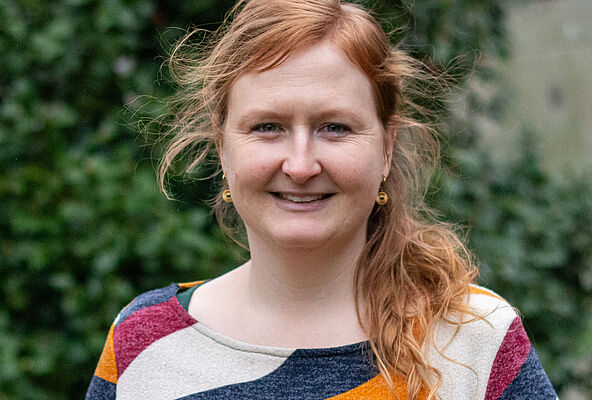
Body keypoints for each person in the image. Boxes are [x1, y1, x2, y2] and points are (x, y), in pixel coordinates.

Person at [86, 1, 558, 399]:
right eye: (267, 127)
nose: (300, 165)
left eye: (335, 127)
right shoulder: (143, 344)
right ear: (222, 146)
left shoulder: (474, 342)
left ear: (387, 147)